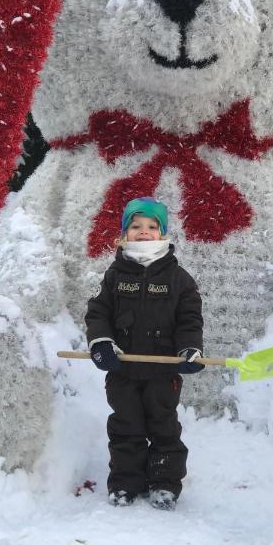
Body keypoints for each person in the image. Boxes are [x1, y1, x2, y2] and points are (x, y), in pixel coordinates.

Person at [85, 196, 204, 510]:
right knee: (126, 427)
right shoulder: (115, 275)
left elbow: (189, 318)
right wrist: (100, 343)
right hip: (122, 370)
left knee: (164, 426)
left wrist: (190, 349)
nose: (144, 231)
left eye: (152, 226)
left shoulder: (178, 278)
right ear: (124, 234)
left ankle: (165, 483)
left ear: (162, 233)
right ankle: (126, 482)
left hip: (163, 372)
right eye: (136, 226)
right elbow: (98, 312)